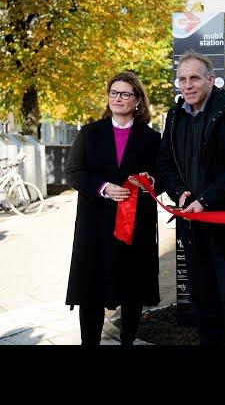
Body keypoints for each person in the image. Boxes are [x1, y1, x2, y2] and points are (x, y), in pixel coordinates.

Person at [156, 50, 225, 345]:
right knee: (202, 299)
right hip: (192, 225)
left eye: (194, 78)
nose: (187, 85)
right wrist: (180, 192)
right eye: (182, 79)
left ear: (211, 79)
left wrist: (205, 200)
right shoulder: (176, 114)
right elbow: (164, 161)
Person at [65, 71, 162, 346]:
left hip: (136, 226)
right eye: (114, 93)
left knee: (133, 288)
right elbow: (73, 172)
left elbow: (162, 172)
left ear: (138, 101)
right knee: (92, 287)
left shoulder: (151, 138)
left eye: (125, 94)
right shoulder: (90, 133)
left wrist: (150, 182)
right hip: (96, 223)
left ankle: (128, 341)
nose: (118, 99)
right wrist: (103, 188)